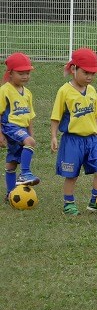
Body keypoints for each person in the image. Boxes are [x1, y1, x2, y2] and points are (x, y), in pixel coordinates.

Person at [50, 48, 97, 216]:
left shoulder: (92, 91)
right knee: (72, 175)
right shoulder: (64, 91)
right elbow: (56, 116)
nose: (89, 77)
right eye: (86, 72)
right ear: (74, 69)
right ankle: (69, 204)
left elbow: (96, 115)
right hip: (72, 140)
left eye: (92, 74)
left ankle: (94, 202)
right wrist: (53, 136)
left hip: (91, 140)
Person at [1, 52, 41, 201]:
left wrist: (30, 133)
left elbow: (30, 116)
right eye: (21, 73)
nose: (25, 76)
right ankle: (25, 173)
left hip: (22, 130)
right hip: (10, 126)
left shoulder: (28, 93)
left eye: (27, 73)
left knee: (11, 162)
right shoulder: (4, 90)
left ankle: (10, 194)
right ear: (10, 73)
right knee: (29, 142)